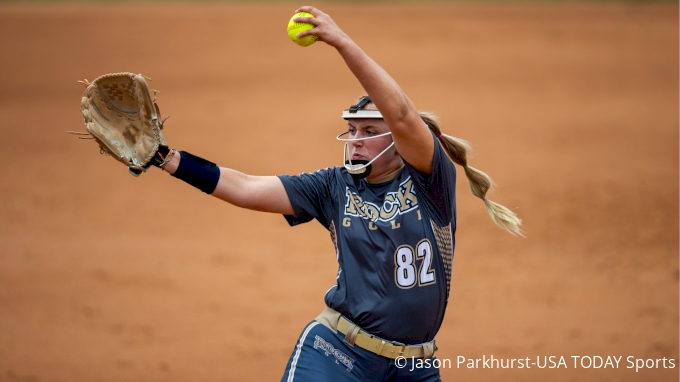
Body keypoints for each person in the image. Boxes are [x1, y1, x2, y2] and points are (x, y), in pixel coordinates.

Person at [157, 6, 521, 381]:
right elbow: (246, 187)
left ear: (397, 139)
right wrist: (169, 160)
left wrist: (343, 43)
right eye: (353, 130)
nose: (356, 141)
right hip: (337, 352)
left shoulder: (429, 181)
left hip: (414, 367)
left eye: (369, 131)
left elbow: (400, 114)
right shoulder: (332, 185)